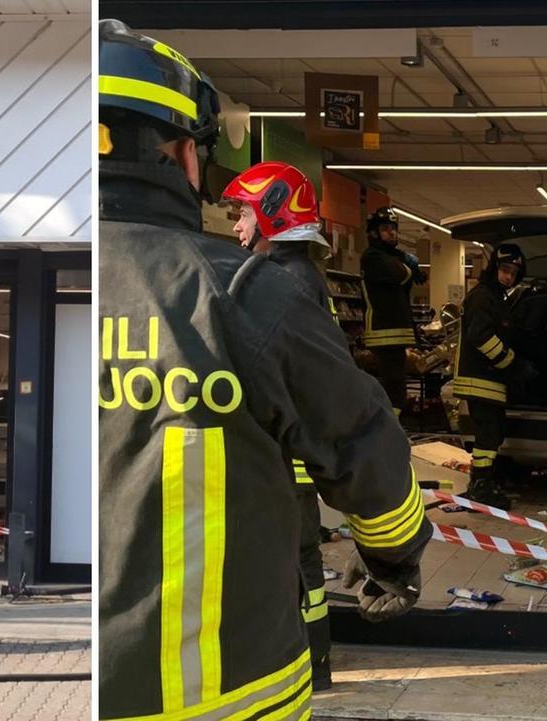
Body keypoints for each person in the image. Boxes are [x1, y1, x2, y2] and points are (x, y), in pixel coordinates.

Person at [98, 20, 430, 721]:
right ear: (185, 154)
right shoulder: (247, 292)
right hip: (233, 689)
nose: (236, 225)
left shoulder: (44, 292)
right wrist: (395, 554)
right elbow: (359, 438)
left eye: (244, 214)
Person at [221, 161, 336, 691]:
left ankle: (310, 665)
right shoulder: (302, 275)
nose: (237, 226)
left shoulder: (281, 281)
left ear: (272, 213)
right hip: (297, 454)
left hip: (284, 459)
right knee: (302, 566)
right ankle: (314, 662)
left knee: (298, 566)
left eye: (243, 212)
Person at [454, 243, 536, 510]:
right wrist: (511, 363)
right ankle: (480, 486)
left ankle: (484, 481)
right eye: (504, 270)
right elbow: (480, 336)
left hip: (489, 380)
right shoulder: (483, 297)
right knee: (488, 434)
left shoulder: (496, 298)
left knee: (493, 432)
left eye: (512, 273)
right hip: (481, 379)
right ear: (494, 269)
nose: (508, 277)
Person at [360, 207, 426, 416]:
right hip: (384, 329)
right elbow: (401, 274)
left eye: (394, 229)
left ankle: (391, 426)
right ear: (373, 232)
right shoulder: (372, 257)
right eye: (386, 228)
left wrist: (405, 261)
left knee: (396, 384)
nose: (392, 233)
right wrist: (406, 262)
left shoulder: (388, 255)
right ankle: (390, 428)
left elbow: (418, 275)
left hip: (394, 329)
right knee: (393, 386)